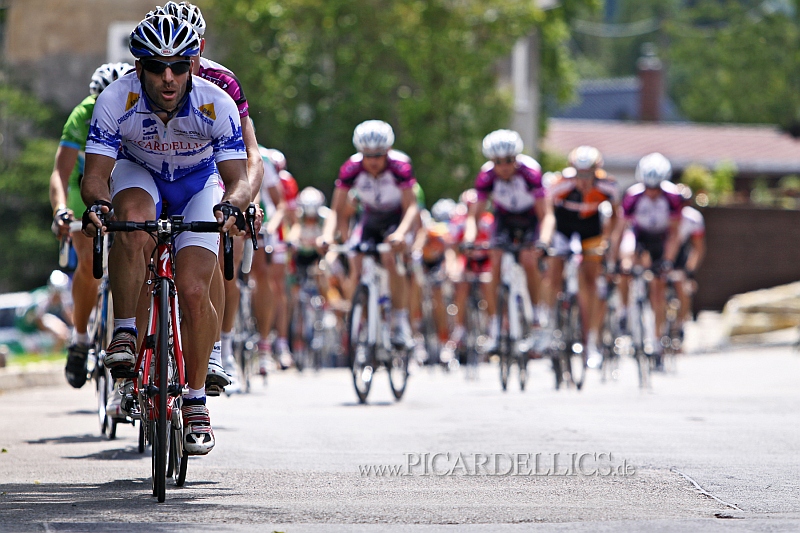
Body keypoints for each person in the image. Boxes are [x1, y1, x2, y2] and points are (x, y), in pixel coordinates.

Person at [81, 14, 250, 455]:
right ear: (139, 67)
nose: (168, 77)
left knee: (194, 288)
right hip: (141, 174)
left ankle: (195, 400)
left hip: (198, 184)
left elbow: (239, 178)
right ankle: (124, 331)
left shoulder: (216, 102)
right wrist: (98, 204)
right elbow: (95, 175)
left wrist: (233, 206)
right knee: (132, 221)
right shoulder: (116, 99)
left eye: (178, 66)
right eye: (157, 67)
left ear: (193, 63)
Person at [149, 0, 265, 395]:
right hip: (153, 169)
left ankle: (213, 348)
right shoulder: (143, 81)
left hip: (211, 170)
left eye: (189, 50)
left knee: (210, 244)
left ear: (199, 45)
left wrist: (244, 200)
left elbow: (250, 153)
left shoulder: (222, 82)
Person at [49, 62, 132, 388]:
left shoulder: (138, 110)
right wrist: (61, 210)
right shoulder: (82, 115)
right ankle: (81, 337)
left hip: (123, 185)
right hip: (85, 187)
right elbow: (61, 173)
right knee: (89, 264)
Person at [319, 120, 420, 347]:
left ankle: (400, 321)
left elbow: (411, 207)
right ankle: (362, 321)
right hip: (370, 219)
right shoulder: (351, 167)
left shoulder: (400, 167)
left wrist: (401, 233)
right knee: (355, 259)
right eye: (368, 155)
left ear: (388, 151)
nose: (373, 161)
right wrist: (327, 235)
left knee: (389, 257)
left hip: (396, 219)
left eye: (379, 155)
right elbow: (336, 210)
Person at [463, 129, 554, 353]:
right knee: (493, 262)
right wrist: (468, 239)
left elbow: (546, 215)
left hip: (530, 218)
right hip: (504, 219)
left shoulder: (530, 172)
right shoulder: (486, 176)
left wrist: (543, 241)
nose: (503, 167)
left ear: (516, 158)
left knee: (528, 259)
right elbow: (474, 216)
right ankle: (495, 326)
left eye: (509, 161)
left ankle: (537, 314)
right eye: (498, 162)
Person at [545, 146, 620, 368]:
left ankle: (592, 340)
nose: (584, 180)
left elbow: (616, 217)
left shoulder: (608, 185)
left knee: (591, 281)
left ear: (597, 171)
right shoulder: (560, 184)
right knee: (554, 272)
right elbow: (548, 214)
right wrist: (546, 240)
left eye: (589, 174)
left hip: (591, 230)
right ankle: (549, 328)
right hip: (564, 229)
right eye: (579, 173)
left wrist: (608, 241)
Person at [616, 153, 682, 359]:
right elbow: (621, 230)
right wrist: (617, 259)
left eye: (656, 188)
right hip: (640, 236)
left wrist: (668, 261)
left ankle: (656, 339)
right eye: (648, 187)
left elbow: (674, 234)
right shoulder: (633, 196)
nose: (652, 192)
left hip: (661, 239)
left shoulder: (672, 197)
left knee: (658, 287)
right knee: (625, 265)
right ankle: (623, 311)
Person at [251, 147, 297, 373]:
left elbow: (287, 212)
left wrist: (283, 233)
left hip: (269, 229)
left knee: (273, 283)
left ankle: (274, 344)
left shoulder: (275, 171)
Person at [674, 184, 706, 334]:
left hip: (682, 253)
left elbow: (698, 248)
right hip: (663, 252)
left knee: (684, 286)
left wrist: (689, 271)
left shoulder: (693, 218)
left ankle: (681, 322)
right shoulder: (665, 213)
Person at [15, 271, 73, 352]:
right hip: (26, 330)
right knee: (37, 353)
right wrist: (55, 334)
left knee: (63, 332)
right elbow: (39, 322)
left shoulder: (59, 297)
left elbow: (68, 315)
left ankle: (54, 354)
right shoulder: (41, 299)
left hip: (35, 325)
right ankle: (53, 354)